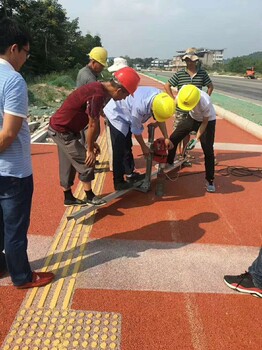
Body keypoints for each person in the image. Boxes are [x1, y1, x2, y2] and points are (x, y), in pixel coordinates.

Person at [0, 18, 54, 288]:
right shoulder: (13, 80)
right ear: (14, 49)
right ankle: (21, 276)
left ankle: (2, 266)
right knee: (15, 229)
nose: (26, 57)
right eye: (26, 51)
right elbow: (9, 133)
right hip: (13, 171)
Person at [48, 67, 140, 206]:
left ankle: (68, 197)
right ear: (119, 90)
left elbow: (96, 114)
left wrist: (92, 142)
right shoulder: (98, 94)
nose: (124, 98)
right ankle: (89, 196)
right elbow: (92, 124)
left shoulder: (102, 88)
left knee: (68, 163)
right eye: (126, 95)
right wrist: (89, 148)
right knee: (87, 160)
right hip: (62, 131)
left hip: (63, 128)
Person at [103, 87, 175, 190]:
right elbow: (136, 131)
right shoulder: (139, 107)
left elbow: (160, 118)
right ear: (153, 108)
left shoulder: (161, 100)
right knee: (119, 148)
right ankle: (118, 182)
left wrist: (166, 137)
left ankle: (130, 174)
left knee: (128, 146)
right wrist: (144, 147)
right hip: (117, 114)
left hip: (129, 111)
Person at [164, 48, 213, 165]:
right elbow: (167, 86)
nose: (189, 63)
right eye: (187, 60)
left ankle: (184, 155)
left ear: (196, 61)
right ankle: (175, 156)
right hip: (181, 108)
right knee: (178, 132)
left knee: (188, 134)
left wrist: (206, 98)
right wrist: (174, 99)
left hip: (195, 109)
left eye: (191, 61)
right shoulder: (180, 74)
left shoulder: (202, 73)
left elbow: (210, 86)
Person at [167, 84, 216, 193]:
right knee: (173, 138)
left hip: (207, 121)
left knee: (208, 150)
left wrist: (196, 139)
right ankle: (169, 162)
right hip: (192, 118)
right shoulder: (184, 90)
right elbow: (174, 104)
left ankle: (210, 180)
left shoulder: (205, 101)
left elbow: (204, 123)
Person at [76, 47, 108, 146]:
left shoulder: (83, 71)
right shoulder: (90, 78)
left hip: (81, 110)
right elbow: (95, 100)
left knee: (84, 138)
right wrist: (105, 114)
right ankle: (88, 158)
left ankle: (84, 158)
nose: (102, 68)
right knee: (91, 136)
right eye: (101, 65)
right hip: (87, 112)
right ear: (94, 62)